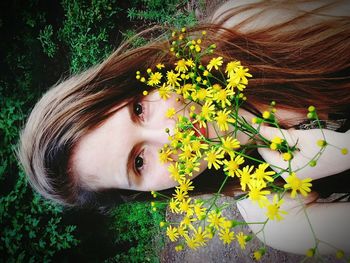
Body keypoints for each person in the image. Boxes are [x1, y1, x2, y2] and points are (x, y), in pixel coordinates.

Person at [18, 0, 350, 255]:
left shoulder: (248, 28)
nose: (174, 135)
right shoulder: (277, 218)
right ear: (144, 193)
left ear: (140, 81)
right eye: (139, 162)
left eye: (138, 110)